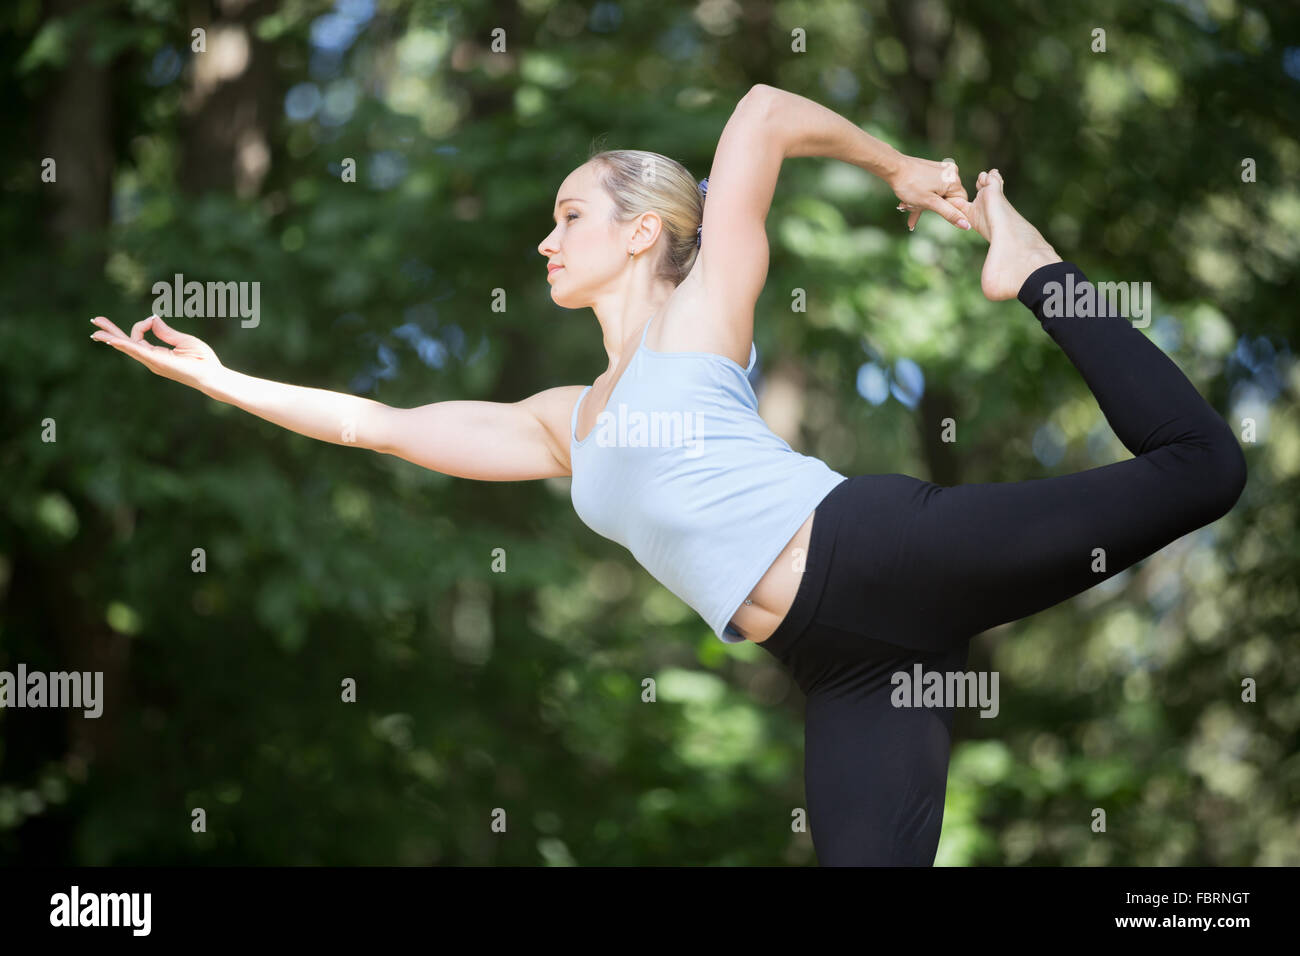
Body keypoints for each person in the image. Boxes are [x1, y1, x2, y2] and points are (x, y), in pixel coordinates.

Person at [90, 85, 1246, 865]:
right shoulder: (562, 422)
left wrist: (903, 170)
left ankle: (1037, 270)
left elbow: (762, 110)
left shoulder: (707, 313)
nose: (546, 241)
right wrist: (224, 380)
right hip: (844, 666)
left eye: (569, 216)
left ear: (642, 232)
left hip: (878, 545)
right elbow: (373, 425)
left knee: (1203, 466)